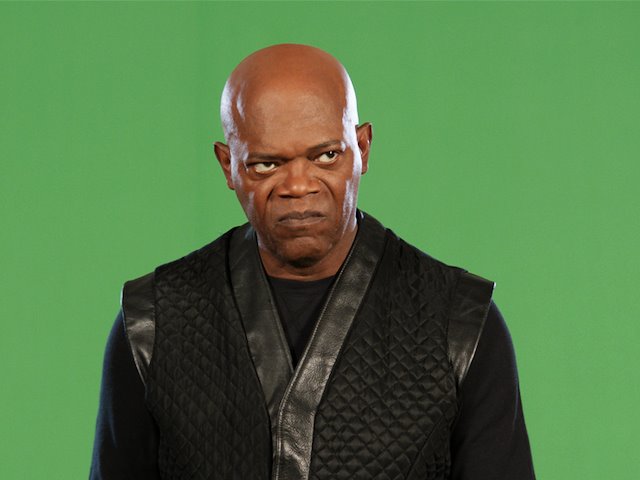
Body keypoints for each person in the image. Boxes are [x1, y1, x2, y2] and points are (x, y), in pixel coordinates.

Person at [90, 44, 535, 480]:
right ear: (228, 165)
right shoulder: (152, 323)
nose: (298, 186)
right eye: (266, 164)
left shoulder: (460, 323)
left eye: (326, 156)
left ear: (362, 147)